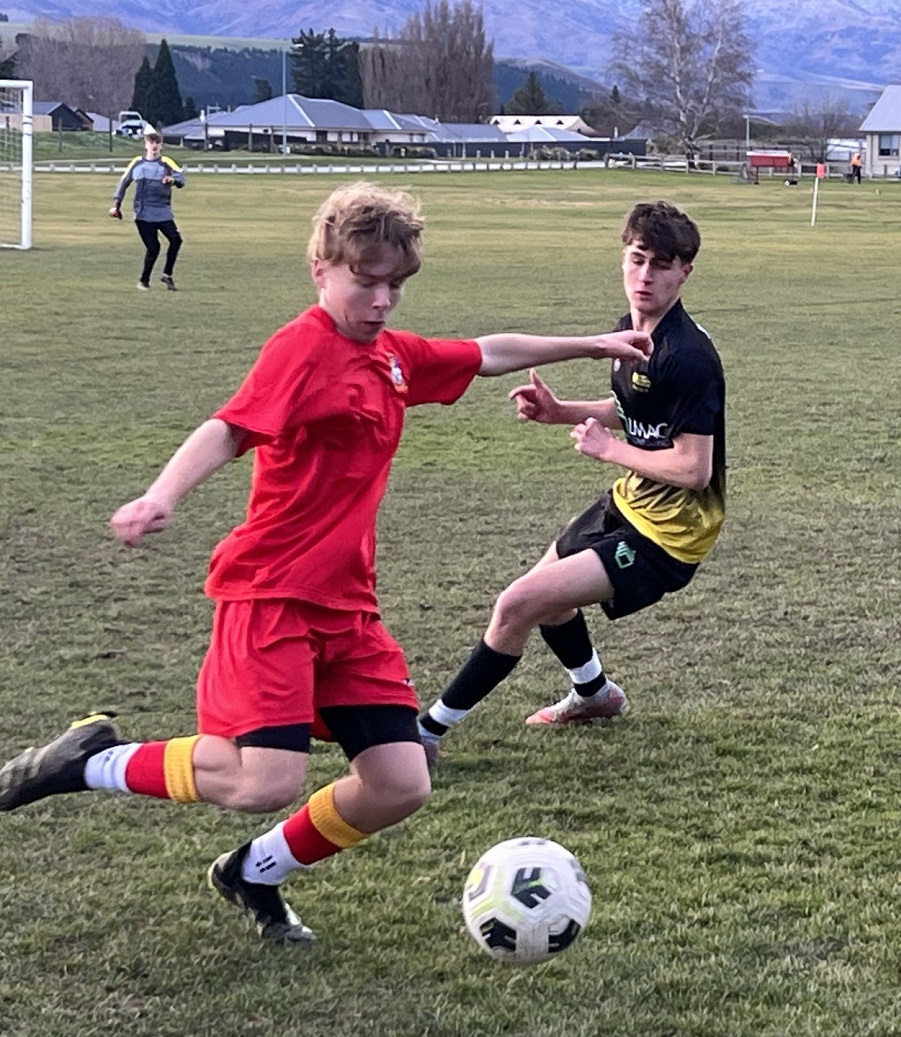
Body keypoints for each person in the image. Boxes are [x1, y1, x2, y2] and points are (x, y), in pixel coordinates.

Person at [0, 182, 651, 945]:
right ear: (321, 268)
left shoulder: (391, 358)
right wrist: (159, 494)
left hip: (348, 609)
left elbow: (484, 353)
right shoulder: (302, 347)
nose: (381, 300)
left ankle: (252, 872)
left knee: (400, 782)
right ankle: (90, 760)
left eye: (395, 286)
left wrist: (593, 344)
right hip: (271, 594)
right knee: (260, 779)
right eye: (364, 281)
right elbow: (227, 429)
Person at [418, 200, 725, 752]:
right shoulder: (626, 332)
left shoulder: (689, 356)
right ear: (622, 258)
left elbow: (693, 468)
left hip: (669, 535)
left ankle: (426, 733)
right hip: (629, 504)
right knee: (549, 599)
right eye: (637, 259)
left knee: (516, 605)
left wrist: (609, 451)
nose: (645, 276)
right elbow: (631, 408)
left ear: (686, 271)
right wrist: (561, 412)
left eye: (661, 264)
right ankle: (595, 694)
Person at [111, 129, 186, 291]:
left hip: (163, 211)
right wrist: (116, 204)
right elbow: (123, 183)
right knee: (154, 247)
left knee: (176, 240)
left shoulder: (166, 162)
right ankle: (144, 281)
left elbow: (181, 178)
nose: (154, 146)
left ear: (161, 146)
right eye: (151, 142)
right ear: (146, 144)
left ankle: (167, 274)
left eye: (157, 143)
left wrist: (172, 179)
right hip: (143, 213)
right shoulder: (137, 163)